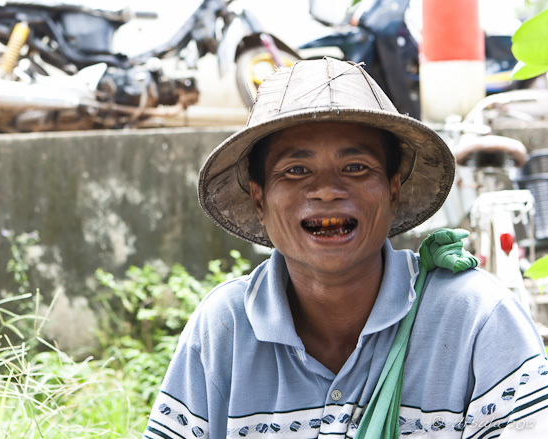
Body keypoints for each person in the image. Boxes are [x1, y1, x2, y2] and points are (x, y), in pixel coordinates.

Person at [142, 58, 548, 439]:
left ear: (392, 190)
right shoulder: (224, 329)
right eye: (296, 170)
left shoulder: (475, 318)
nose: (326, 190)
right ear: (259, 200)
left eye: (356, 168)